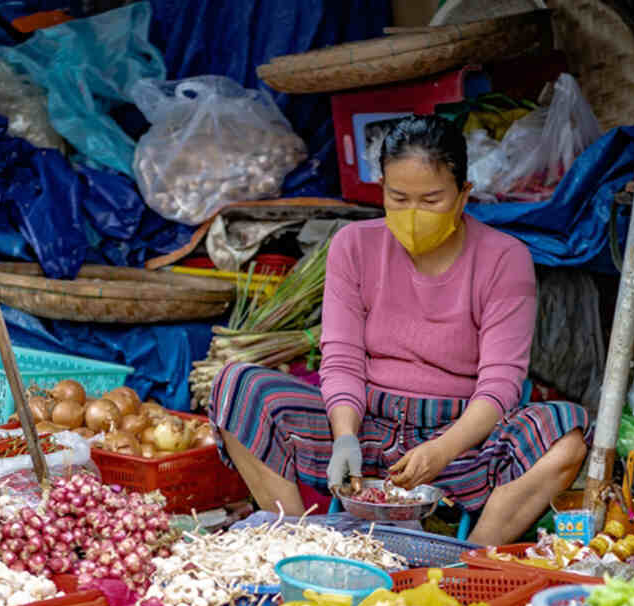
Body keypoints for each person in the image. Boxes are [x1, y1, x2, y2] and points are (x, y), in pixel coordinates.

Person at [208, 115, 589, 546]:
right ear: (382, 190)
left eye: (430, 200)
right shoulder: (354, 245)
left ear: (464, 195)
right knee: (238, 386)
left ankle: (467, 562)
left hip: (460, 439)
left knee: (565, 433)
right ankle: (299, 544)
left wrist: (441, 451)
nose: (412, 215)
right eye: (398, 197)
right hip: (368, 424)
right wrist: (345, 437)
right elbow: (342, 358)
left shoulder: (504, 258)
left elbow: (501, 384)